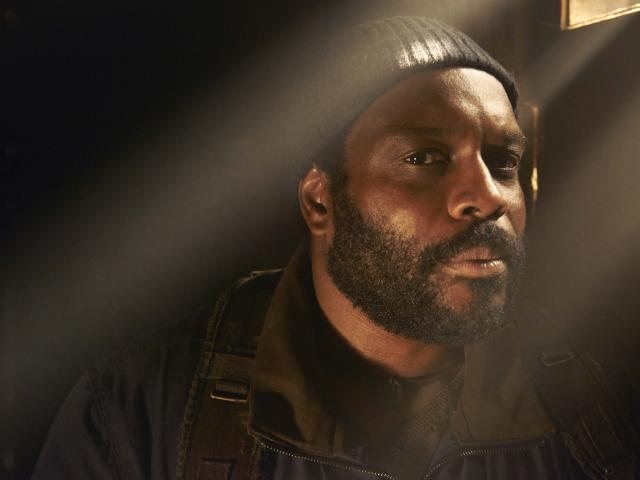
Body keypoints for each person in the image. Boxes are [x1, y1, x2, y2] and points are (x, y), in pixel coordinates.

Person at [32, 16, 638, 480]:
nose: (487, 197)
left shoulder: (600, 398)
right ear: (320, 201)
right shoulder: (138, 413)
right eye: (424, 158)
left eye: (503, 162)